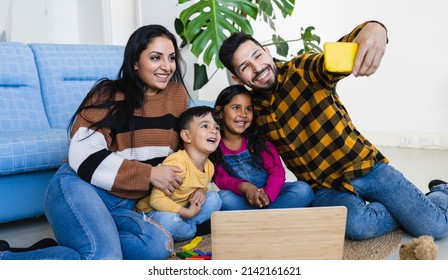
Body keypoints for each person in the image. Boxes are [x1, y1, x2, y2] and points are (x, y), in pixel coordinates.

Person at [218, 21, 448, 240]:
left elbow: (337, 55)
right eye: (245, 67)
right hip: (323, 188)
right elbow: (224, 130)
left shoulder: (302, 70)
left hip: (365, 168)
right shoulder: (252, 110)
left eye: (257, 56)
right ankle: (407, 210)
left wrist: (374, 28)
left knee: (435, 227)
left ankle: (440, 193)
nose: (258, 68)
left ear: (267, 52)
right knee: (358, 225)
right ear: (238, 78)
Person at [0, 24, 190, 260]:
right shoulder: (108, 93)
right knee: (103, 259)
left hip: (124, 205)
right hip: (80, 187)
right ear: (134, 62)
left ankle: (51, 252)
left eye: (171, 58)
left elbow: (186, 147)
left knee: (157, 247)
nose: (167, 66)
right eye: (155, 57)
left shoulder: (177, 96)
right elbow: (83, 152)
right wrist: (149, 174)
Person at [211, 84, 314, 210]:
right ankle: (271, 218)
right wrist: (245, 187)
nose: (243, 114)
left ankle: (260, 218)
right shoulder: (214, 146)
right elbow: (221, 178)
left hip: (271, 194)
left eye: (248, 109)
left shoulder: (259, 141)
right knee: (223, 198)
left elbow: (277, 171)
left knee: (303, 190)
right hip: (242, 197)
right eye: (236, 108)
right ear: (219, 112)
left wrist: (268, 196)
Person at [136, 106, 222, 241]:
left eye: (217, 128)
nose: (214, 131)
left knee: (215, 199)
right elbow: (156, 200)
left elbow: (202, 184)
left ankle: (184, 230)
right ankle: (193, 229)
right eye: (205, 126)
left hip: (182, 209)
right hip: (153, 211)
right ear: (187, 136)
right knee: (169, 221)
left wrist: (202, 191)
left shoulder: (209, 166)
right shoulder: (177, 163)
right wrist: (186, 213)